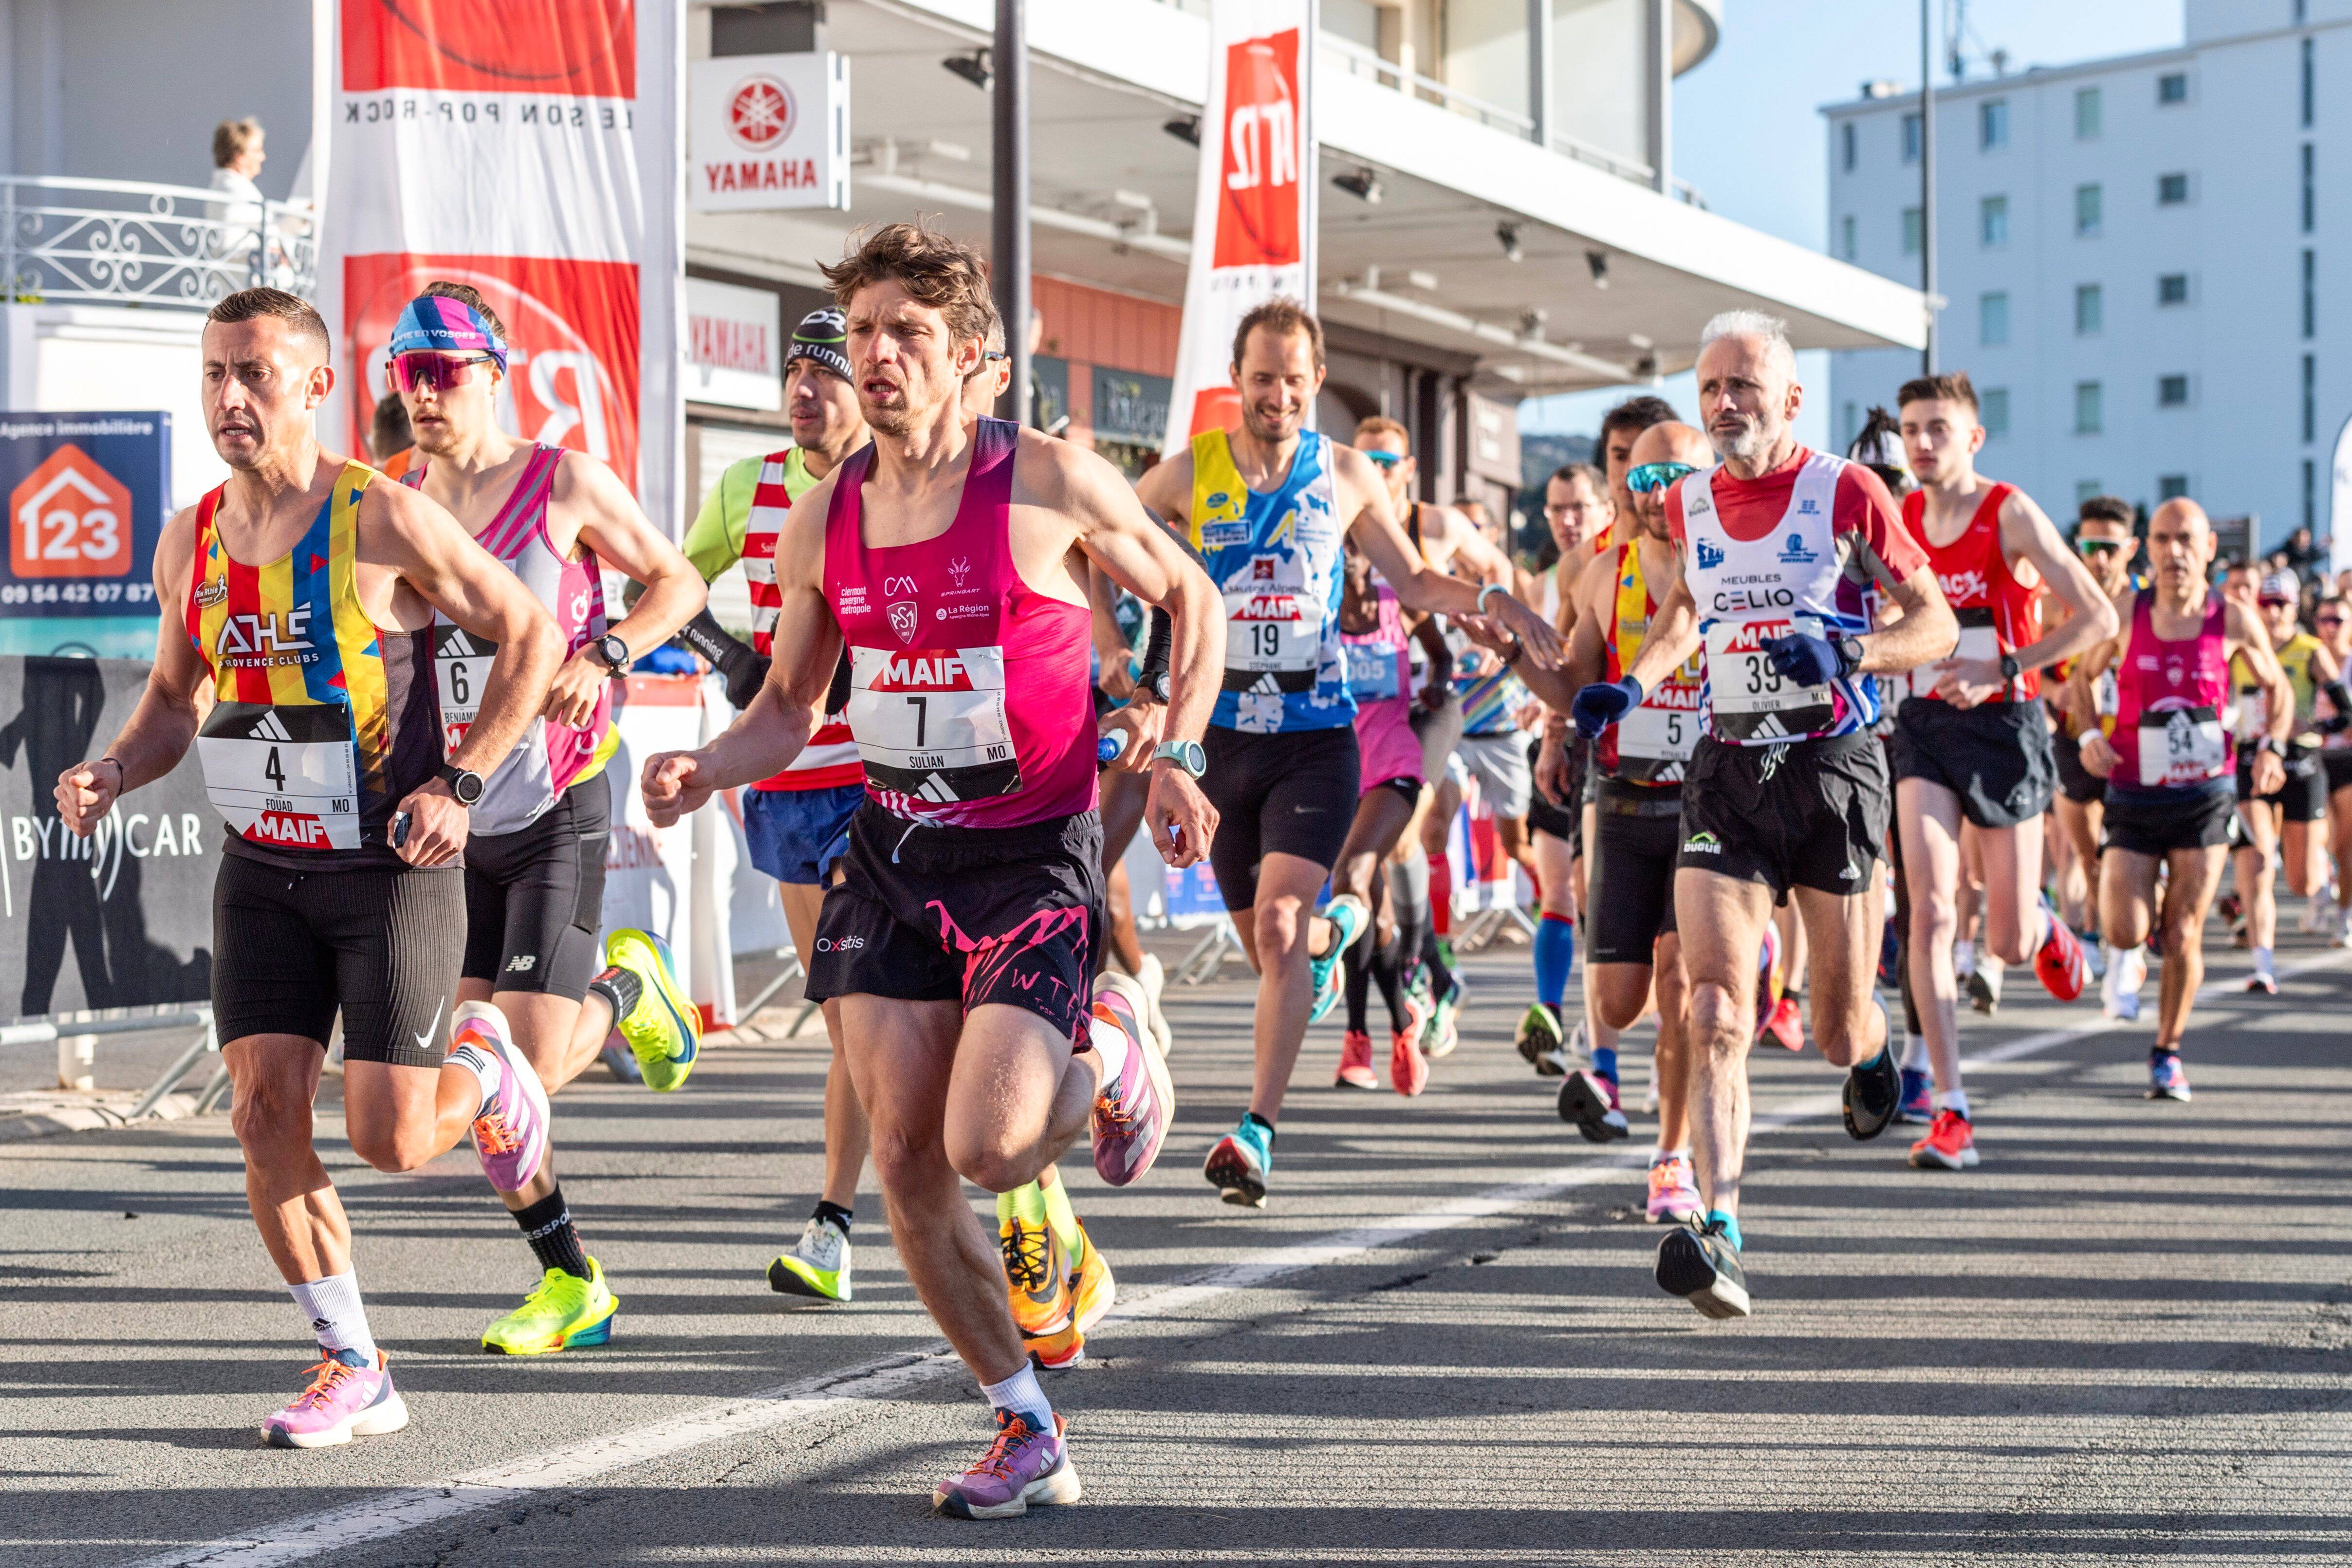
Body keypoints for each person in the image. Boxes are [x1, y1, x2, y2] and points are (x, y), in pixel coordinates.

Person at [639, 222, 1218, 1518]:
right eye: (862, 331)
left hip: (1030, 853)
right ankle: (1025, 1423)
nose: (876, 354)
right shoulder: (822, 518)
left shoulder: (1048, 482)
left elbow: (1193, 596)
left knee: (991, 1145)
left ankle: (1115, 1047)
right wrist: (709, 766)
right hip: (892, 847)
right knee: (905, 1159)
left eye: (906, 331)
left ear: (968, 357)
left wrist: (1175, 746)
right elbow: (789, 708)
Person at [53, 287, 567, 1443]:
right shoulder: (188, 537)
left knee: (392, 1138)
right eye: (215, 374)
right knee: (262, 1110)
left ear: (317, 385)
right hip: (263, 866)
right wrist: (114, 769)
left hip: (388, 863)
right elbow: (173, 701)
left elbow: (532, 633)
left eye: (256, 373)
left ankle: (487, 1068)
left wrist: (463, 783)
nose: (231, 397)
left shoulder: (381, 517)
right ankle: (352, 1360)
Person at [1570, 310, 1955, 1317]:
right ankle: (1723, 1230)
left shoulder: (1846, 491)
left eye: (1743, 385)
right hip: (1727, 774)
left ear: (1790, 397)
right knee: (1712, 1007)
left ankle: (1873, 1042)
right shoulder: (1689, 501)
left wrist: (1852, 652)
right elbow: (1685, 611)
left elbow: (1936, 622)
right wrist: (1635, 683)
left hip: (1833, 771)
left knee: (1831, 1027)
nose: (1725, 403)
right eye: (1710, 388)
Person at [1134, 301, 1560, 1208]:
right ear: (1236, 379)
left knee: (1280, 929)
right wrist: (1116, 646)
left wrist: (1492, 598)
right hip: (1220, 739)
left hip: (1315, 737)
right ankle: (1339, 935)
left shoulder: (1346, 474)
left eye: (1294, 380)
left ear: (1316, 381)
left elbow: (1415, 580)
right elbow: (1105, 534)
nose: (1277, 395)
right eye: (1261, 378)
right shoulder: (1191, 470)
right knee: (1272, 953)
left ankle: (1255, 1131)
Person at [387, 284, 708, 1352]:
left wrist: (606, 653)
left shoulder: (561, 482)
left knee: (517, 1064)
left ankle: (627, 989)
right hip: (457, 814)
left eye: (443, 371)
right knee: (474, 1082)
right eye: (407, 372)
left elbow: (679, 581)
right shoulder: (394, 502)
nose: (424, 392)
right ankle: (573, 1282)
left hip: (557, 799)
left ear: (493, 372)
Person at [669, 306, 878, 1306]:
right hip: (788, 776)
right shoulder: (746, 487)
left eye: (826, 373)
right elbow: (671, 584)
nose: (805, 389)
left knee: (870, 1001)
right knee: (845, 1019)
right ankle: (855, 1215)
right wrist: (729, 657)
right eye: (796, 371)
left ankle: (835, 1220)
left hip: (883, 780)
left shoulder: (895, 483)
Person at [1885, 373, 2111, 1173]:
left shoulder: (2008, 511)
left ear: (1972, 438)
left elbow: (2096, 616)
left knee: (2007, 942)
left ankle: (2042, 926)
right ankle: (1949, 1106)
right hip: (1923, 726)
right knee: (1929, 912)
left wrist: (2006, 666)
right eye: (1910, 430)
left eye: (1937, 428)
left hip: (2004, 726)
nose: (1921, 443)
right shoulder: (1896, 515)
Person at [1514, 423, 1713, 1219]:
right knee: (1620, 1003)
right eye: (1645, 478)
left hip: (1707, 803)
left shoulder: (1731, 566)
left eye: (1677, 477)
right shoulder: (1607, 572)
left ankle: (1672, 1158)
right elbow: (1571, 686)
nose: (1659, 494)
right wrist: (1512, 655)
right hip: (1625, 800)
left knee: (1681, 980)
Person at [2067, 499, 2293, 1102]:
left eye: (2186, 539)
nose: (2174, 552)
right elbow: (2082, 678)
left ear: (2208, 548)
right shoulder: (2124, 612)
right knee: (2123, 929)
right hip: (2134, 790)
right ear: (2149, 548)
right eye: (2163, 539)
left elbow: (2277, 688)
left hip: (2204, 793)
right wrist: (2087, 736)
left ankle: (2167, 1052)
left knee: (2185, 931)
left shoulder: (2233, 618)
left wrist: (2271, 747)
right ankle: (2144, 922)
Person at [1352, 415, 1510, 1062]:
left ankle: (1420, 965)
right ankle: (1435, 972)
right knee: (1386, 846)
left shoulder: (1435, 526)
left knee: (1406, 827)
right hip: (1366, 706)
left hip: (1432, 699)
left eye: (1386, 463)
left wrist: (1497, 635)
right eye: (1365, 461)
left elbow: (1496, 568)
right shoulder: (1340, 523)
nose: (1375, 472)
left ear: (1408, 470)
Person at [1518, 461, 1612, 1075]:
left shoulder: (1622, 564)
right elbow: (1548, 672)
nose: (1568, 519)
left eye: (1579, 506)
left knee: (1596, 902)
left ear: (1606, 508)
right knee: (1556, 888)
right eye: (1557, 508)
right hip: (1557, 747)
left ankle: (1601, 1027)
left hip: (1615, 750)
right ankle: (1549, 1015)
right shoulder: (1540, 586)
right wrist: (1545, 717)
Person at [2226, 571, 2347, 988]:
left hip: (2300, 762)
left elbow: (2346, 713)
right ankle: (2263, 965)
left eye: (2281, 603)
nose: (2273, 612)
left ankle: (2321, 874)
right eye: (2266, 602)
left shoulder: (2310, 651)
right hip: (2252, 759)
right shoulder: (2240, 648)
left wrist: (2310, 724)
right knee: (2258, 860)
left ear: (2295, 607)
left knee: (2301, 881)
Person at [2046, 498, 2142, 952]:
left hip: (2134, 744)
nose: (2099, 558)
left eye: (2110, 548)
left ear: (2131, 549)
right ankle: (2095, 928)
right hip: (2075, 739)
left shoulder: (2146, 605)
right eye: (2090, 547)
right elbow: (2025, 666)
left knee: (2132, 849)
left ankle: (2118, 936)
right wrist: (2054, 692)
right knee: (2088, 856)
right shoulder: (2057, 605)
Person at [2316, 595, 2352, 944]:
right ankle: (2320, 893)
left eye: (2338, 620)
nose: (2330, 628)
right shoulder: (2308, 660)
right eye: (2324, 620)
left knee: (2346, 846)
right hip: (2312, 759)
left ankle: (2344, 915)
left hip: (2347, 760)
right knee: (2318, 841)